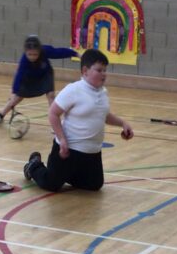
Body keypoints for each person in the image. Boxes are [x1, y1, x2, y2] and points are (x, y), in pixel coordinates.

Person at [23, 48, 133, 192]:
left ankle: (65, 174)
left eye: (105, 70)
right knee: (51, 184)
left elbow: (104, 115)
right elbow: (53, 113)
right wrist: (62, 139)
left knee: (94, 185)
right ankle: (34, 165)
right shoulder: (73, 90)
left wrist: (122, 123)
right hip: (68, 149)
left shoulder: (103, 93)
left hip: (92, 153)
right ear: (85, 71)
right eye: (99, 70)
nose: (104, 74)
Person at [0, 35, 79, 128]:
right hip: (29, 78)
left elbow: (58, 52)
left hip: (45, 75)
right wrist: (14, 91)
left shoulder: (45, 51)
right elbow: (18, 76)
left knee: (51, 95)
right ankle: (0, 116)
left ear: (39, 51)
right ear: (25, 52)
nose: (32, 57)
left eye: (35, 54)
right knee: (16, 98)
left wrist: (74, 53)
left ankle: (55, 124)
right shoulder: (24, 61)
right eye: (29, 54)